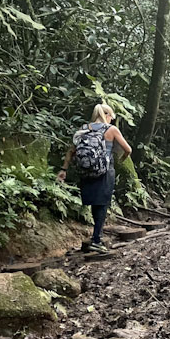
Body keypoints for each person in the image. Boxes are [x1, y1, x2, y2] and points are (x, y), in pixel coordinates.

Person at [57, 104, 132, 253]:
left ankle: (96, 236)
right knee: (102, 204)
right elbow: (128, 149)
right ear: (107, 115)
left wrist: (63, 169)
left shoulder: (84, 129)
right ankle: (97, 239)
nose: (111, 120)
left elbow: (71, 151)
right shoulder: (111, 130)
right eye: (111, 117)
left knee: (94, 204)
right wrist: (121, 159)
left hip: (86, 171)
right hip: (104, 172)